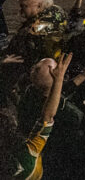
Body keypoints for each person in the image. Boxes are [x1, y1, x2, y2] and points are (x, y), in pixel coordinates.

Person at [0, 51, 72, 179]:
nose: (32, 69)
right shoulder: (29, 154)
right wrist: (59, 79)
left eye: (37, 68)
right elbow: (47, 117)